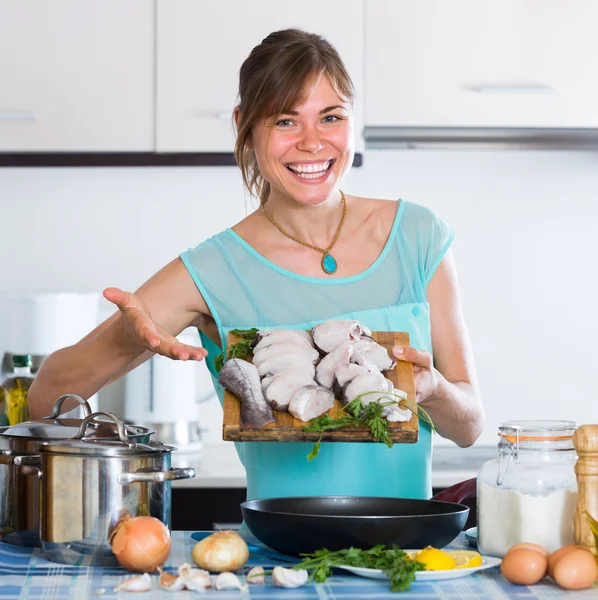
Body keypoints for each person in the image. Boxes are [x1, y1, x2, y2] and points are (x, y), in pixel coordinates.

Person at [29, 29, 484, 502]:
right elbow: (46, 400)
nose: (312, 143)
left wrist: (430, 389)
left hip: (406, 558)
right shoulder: (212, 269)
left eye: (331, 117)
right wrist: (128, 338)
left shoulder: (417, 235)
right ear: (244, 126)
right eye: (286, 121)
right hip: (274, 564)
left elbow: (470, 426)